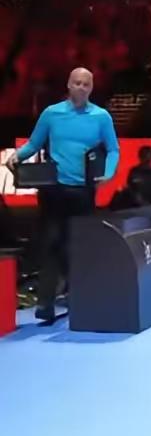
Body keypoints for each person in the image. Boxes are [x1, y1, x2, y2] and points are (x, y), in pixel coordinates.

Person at [3, 67, 120, 322]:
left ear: (91, 88)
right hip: (53, 190)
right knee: (51, 244)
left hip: (84, 191)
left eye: (86, 84)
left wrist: (108, 173)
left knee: (78, 245)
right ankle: (45, 303)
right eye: (77, 83)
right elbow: (34, 144)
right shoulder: (51, 114)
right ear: (68, 85)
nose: (81, 88)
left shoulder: (101, 117)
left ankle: (80, 297)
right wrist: (17, 156)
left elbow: (113, 150)